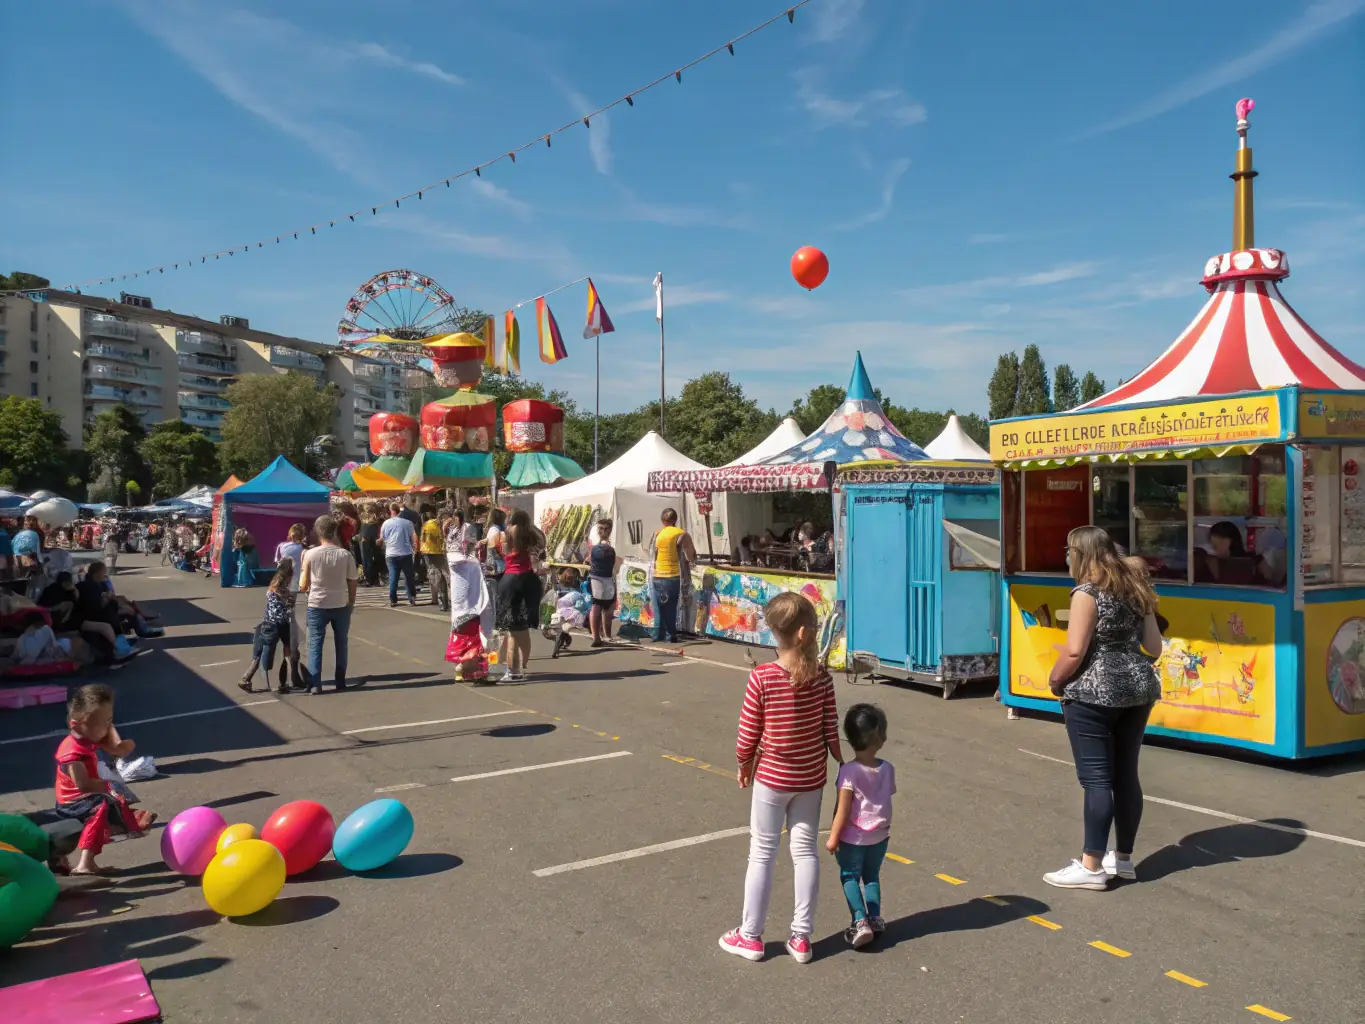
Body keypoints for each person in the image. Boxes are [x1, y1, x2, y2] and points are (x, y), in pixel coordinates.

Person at [719, 592, 842, 964]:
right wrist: (843, 762)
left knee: (762, 853)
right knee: (805, 852)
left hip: (772, 779)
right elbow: (830, 728)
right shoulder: (822, 678)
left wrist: (744, 764)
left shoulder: (763, 677)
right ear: (806, 633)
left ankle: (751, 935)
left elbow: (747, 733)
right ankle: (802, 937)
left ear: (776, 632)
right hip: (810, 779)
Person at [1043, 525, 1163, 891]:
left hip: (1093, 692)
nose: (1065, 556)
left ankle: (1091, 865)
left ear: (1081, 553)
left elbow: (1076, 651)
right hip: (1138, 688)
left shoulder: (1086, 592)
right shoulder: (1135, 588)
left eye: (1068, 549)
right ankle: (1122, 859)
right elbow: (1154, 647)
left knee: (1096, 780)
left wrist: (1054, 680)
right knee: (1126, 775)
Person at [53, 684, 156, 875]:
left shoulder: (87, 737)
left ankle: (91, 859)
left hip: (85, 797)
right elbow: (82, 784)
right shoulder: (72, 751)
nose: (107, 728)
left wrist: (115, 742)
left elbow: (119, 747)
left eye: (109, 721)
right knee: (102, 805)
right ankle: (84, 863)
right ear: (76, 725)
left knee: (109, 803)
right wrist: (109, 783)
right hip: (72, 803)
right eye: (101, 723)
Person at [826, 704, 895, 949]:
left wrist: (833, 838)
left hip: (853, 838)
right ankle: (875, 918)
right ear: (880, 736)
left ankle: (859, 920)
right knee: (872, 876)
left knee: (849, 876)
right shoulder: (887, 769)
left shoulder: (848, 772)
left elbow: (843, 810)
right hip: (880, 835)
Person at [298, 514, 359, 695]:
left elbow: (303, 585)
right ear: (334, 531)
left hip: (317, 603)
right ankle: (340, 680)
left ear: (318, 532)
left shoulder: (310, 554)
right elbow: (352, 580)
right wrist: (351, 601)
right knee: (341, 641)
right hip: (340, 602)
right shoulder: (345, 554)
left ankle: (315, 683)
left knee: (315, 643)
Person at [496, 508, 544, 682]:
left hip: (510, 580)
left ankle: (513, 671)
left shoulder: (506, 534)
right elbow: (542, 545)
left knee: (511, 630)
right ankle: (522, 666)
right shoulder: (531, 534)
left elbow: (502, 551)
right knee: (522, 628)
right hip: (529, 580)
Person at [239, 563, 296, 694]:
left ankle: (246, 678)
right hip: (278, 625)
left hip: (268, 624)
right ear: (287, 577)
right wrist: (288, 606)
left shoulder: (273, 589)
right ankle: (284, 683)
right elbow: (281, 612)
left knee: (261, 652)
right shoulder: (280, 592)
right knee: (284, 653)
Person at [445, 528, 492, 682]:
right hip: (472, 607)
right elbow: (479, 586)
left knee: (462, 638)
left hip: (459, 609)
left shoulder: (452, 560)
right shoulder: (471, 563)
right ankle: (467, 669)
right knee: (472, 640)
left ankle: (463, 669)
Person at [648, 509, 696, 645]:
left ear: (662, 521)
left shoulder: (657, 534)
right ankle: (671, 635)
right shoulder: (681, 534)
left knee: (658, 606)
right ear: (675, 520)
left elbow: (653, 554)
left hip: (656, 575)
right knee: (671, 606)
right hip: (672, 575)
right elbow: (690, 555)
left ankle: (657, 634)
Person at [274, 523, 307, 682]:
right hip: (299, 589)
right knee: (296, 629)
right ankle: (295, 664)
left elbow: (278, 565)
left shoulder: (282, 547)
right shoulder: (304, 550)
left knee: (286, 627)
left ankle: (289, 666)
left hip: (283, 589)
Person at [380, 502, 418, 607]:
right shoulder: (408, 523)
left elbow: (382, 538)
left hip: (391, 554)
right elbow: (413, 535)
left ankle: (393, 599)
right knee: (409, 577)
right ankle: (412, 598)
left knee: (393, 577)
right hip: (406, 552)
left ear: (391, 511)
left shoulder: (386, 523)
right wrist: (414, 545)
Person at [587, 519, 619, 647]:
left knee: (609, 607)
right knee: (597, 604)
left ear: (611, 530)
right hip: (597, 577)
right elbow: (591, 557)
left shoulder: (611, 544)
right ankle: (596, 637)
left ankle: (607, 635)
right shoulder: (595, 542)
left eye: (606, 529)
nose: (603, 531)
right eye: (601, 528)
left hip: (608, 577)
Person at [421, 511, 449, 609]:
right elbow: (427, 539)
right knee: (436, 576)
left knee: (442, 577)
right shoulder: (430, 525)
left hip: (439, 552)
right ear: (441, 517)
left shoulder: (442, 525)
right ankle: (438, 600)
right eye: (446, 518)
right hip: (431, 553)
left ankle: (441, 601)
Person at [358, 504, 382, 586]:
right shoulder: (375, 518)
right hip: (371, 538)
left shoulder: (364, 518)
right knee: (373, 558)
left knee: (366, 559)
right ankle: (374, 578)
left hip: (366, 539)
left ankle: (369, 579)